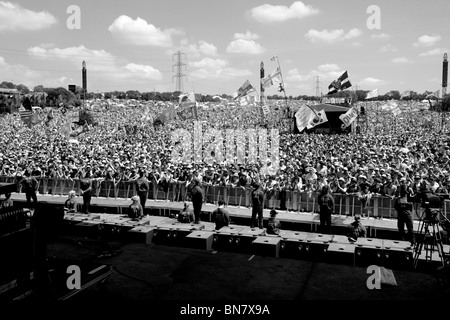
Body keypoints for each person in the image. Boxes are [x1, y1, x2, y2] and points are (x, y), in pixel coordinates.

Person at [394, 178, 415, 245]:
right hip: (403, 214)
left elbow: (396, 207)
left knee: (410, 229)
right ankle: (402, 241)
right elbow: (396, 206)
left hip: (405, 214)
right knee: (401, 229)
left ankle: (412, 241)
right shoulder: (399, 199)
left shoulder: (408, 199)